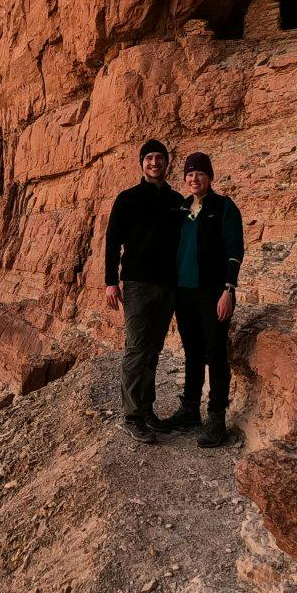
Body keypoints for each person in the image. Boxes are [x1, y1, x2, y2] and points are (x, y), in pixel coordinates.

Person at [155, 151, 243, 447]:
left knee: (216, 354)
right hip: (184, 293)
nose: (194, 179)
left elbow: (234, 250)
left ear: (210, 177)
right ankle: (190, 410)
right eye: (190, 174)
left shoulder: (223, 207)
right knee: (192, 352)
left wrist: (228, 290)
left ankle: (217, 419)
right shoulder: (181, 209)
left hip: (213, 293)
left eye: (200, 174)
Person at [103, 139, 182, 443]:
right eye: (148, 158)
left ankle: (147, 410)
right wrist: (111, 281)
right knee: (137, 348)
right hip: (137, 284)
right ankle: (132, 416)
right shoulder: (127, 199)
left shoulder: (176, 200)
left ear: (167, 162)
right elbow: (112, 241)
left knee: (153, 349)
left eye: (159, 158)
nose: (154, 163)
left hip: (167, 286)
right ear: (141, 164)